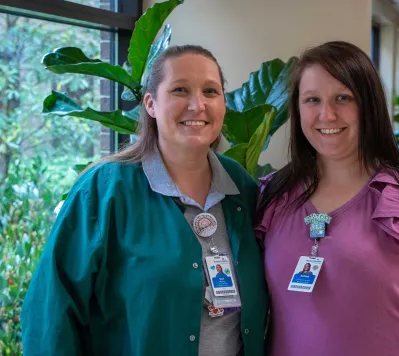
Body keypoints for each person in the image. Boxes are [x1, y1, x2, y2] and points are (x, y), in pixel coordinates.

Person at [21, 45, 269, 356]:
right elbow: (51, 312)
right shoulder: (103, 190)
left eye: (210, 91)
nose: (198, 104)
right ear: (150, 104)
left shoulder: (242, 188)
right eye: (180, 90)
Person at [256, 41, 399, 356]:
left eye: (343, 97)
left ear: (369, 105)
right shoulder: (271, 195)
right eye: (312, 99)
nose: (327, 114)